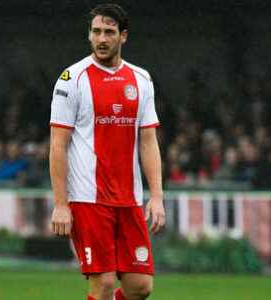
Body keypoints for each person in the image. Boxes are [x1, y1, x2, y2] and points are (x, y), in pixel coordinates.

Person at [49, 4, 165, 300]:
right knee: (102, 285)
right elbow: (58, 145)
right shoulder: (71, 79)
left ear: (123, 36)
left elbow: (148, 140)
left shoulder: (141, 80)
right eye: (96, 32)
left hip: (128, 199)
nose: (101, 38)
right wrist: (61, 204)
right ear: (89, 35)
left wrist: (157, 196)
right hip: (89, 199)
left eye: (109, 32)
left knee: (140, 287)